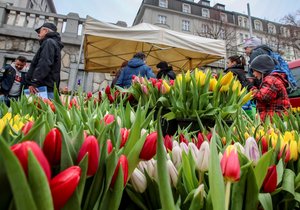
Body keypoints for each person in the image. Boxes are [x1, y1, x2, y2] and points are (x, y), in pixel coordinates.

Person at [26, 22, 64, 99]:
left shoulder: (49, 42)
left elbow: (44, 63)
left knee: (38, 110)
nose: (38, 34)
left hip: (42, 88)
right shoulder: (53, 43)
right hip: (47, 88)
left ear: (46, 31)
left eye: (40, 31)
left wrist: (34, 82)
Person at [249, 54, 290, 121]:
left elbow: (264, 97)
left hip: (275, 118)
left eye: (254, 71)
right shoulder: (272, 79)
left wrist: (251, 88)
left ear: (261, 69)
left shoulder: (271, 79)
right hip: (276, 117)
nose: (253, 74)